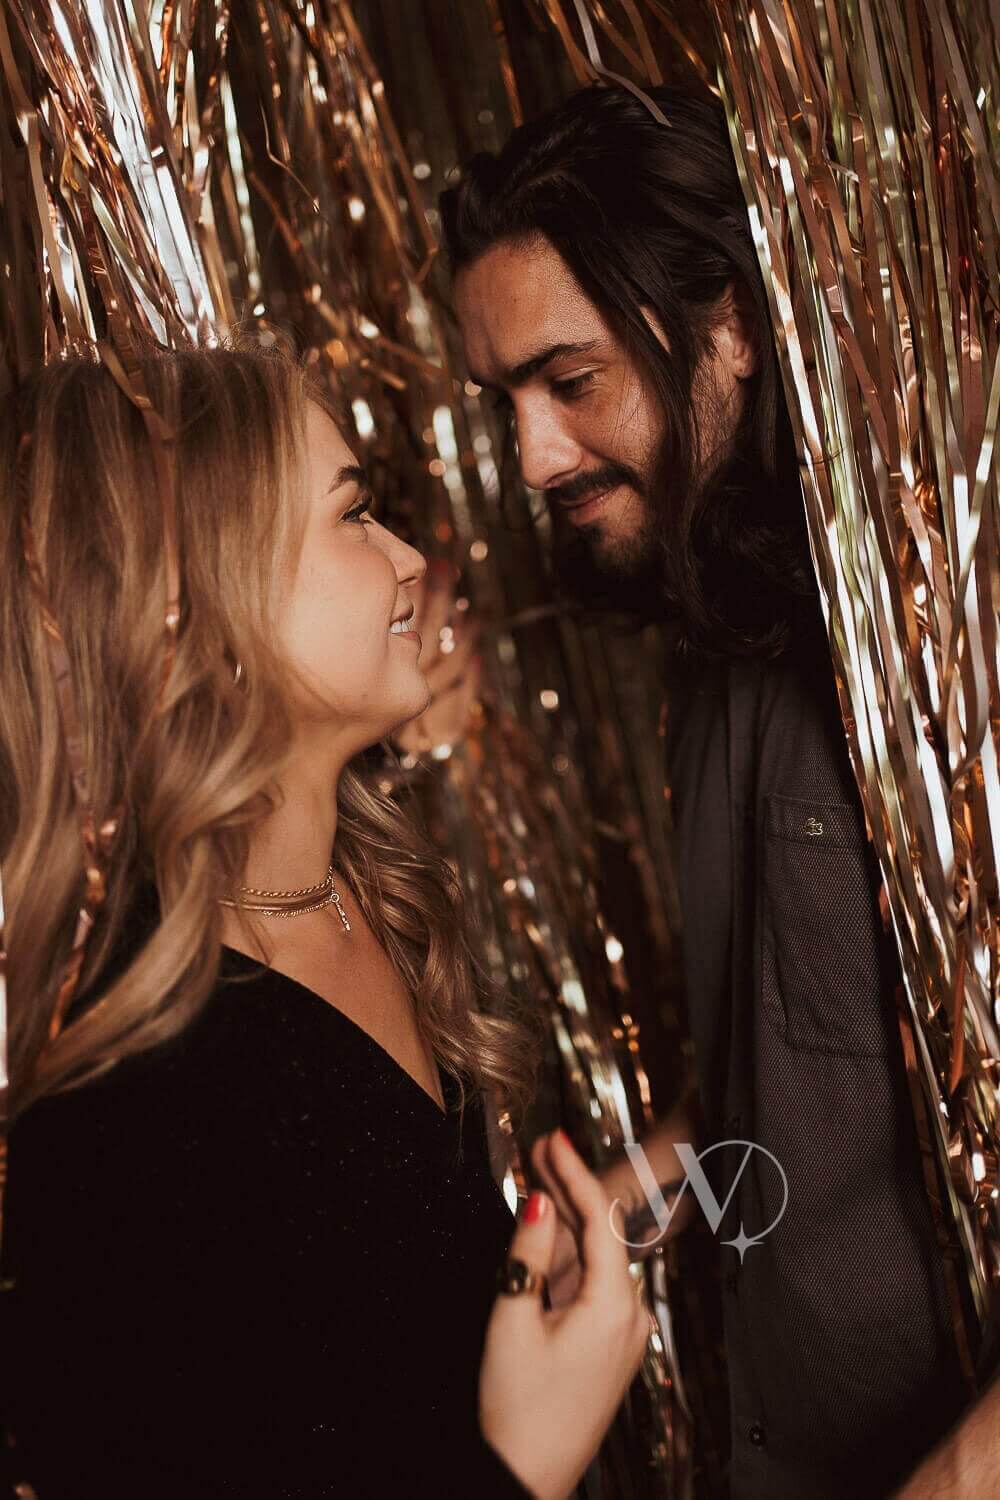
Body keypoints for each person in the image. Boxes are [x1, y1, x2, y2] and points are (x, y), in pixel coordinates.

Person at [440, 84, 999, 1497]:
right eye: (505, 403)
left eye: (570, 383)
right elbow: (805, 1085)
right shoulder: (719, 637)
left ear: (731, 328)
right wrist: (640, 1200)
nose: (533, 461)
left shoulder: (948, 645)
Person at [0, 342, 649, 1500]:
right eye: (354, 517)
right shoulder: (130, 1094)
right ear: (186, 601)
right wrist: (521, 1462)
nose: (409, 558)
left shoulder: (364, 884)